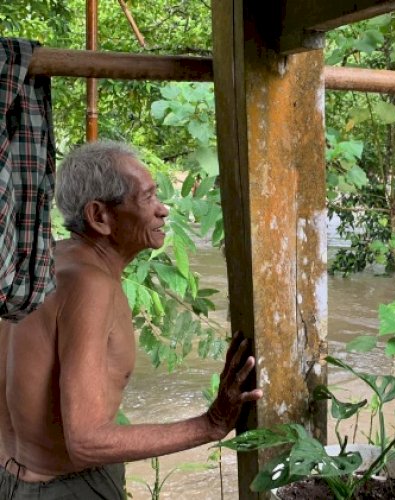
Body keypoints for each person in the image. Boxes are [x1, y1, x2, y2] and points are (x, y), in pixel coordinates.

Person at [0, 141, 263, 499]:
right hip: (65, 489)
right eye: (148, 198)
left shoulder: (44, 262)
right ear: (100, 217)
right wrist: (211, 423)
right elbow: (87, 441)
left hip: (10, 478)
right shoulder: (90, 285)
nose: (163, 210)